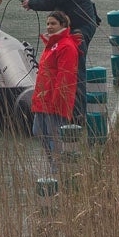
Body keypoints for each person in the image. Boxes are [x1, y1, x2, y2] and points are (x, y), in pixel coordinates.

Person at [23, 0, 98, 125]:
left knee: (75, 72)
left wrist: (31, 3)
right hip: (81, 24)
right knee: (71, 70)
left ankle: (77, 116)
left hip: (80, 27)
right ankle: (73, 113)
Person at [31, 11, 82, 165]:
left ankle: (57, 166)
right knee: (38, 131)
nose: (49, 27)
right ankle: (53, 161)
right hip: (43, 98)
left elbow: (65, 76)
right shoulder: (53, 44)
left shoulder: (65, 46)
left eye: (53, 23)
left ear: (63, 25)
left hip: (54, 99)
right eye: (48, 24)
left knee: (54, 135)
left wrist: (57, 100)